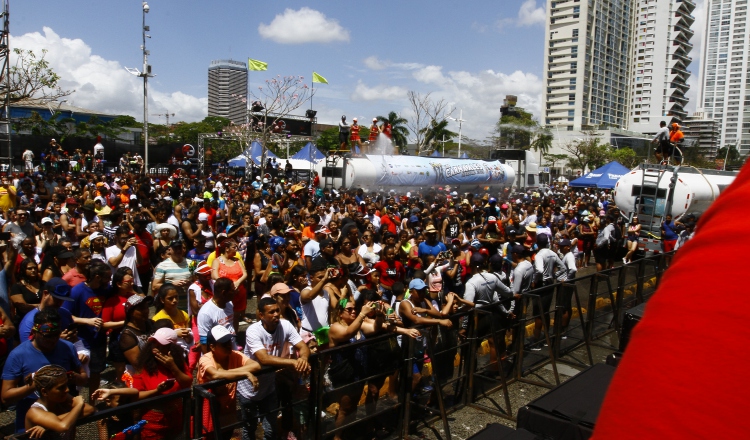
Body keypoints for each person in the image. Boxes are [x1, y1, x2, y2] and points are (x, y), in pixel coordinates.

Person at [1, 308, 88, 433]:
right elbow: (5, 397)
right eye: (47, 336)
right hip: (32, 425)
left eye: (56, 335)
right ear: (34, 332)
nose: (52, 340)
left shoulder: (67, 347)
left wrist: (76, 378)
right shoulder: (18, 355)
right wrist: (34, 386)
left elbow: (83, 378)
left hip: (63, 421)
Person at [238, 297, 310, 440]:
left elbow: (303, 346)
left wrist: (303, 359)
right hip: (249, 389)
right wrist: (293, 363)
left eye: (277, 310)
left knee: (270, 430)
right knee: (249, 430)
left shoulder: (285, 325)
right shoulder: (253, 331)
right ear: (261, 315)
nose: (276, 314)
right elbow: (264, 358)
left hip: (269, 388)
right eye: (271, 312)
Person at [197, 325, 261, 440]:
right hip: (209, 413)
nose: (228, 345)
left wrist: (227, 372)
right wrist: (245, 373)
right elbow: (214, 374)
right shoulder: (205, 359)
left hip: (228, 413)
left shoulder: (234, 355)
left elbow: (255, 366)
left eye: (229, 341)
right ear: (212, 346)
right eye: (223, 343)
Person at [132, 327, 193, 440]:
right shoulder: (144, 366)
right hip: (153, 420)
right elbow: (136, 396)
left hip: (177, 416)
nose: (156, 347)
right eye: (154, 343)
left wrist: (173, 367)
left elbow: (187, 382)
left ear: (172, 348)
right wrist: (157, 391)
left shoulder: (178, 362)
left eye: (162, 345)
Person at [24, 364, 96, 440]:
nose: (67, 390)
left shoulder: (62, 399)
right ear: (44, 392)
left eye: (66, 385)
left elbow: (90, 409)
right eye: (61, 387)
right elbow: (63, 426)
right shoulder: (34, 412)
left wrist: (49, 424)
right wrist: (78, 405)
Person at [212, 239, 248, 331]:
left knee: (235, 317)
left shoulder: (237, 260)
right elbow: (215, 275)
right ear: (227, 249)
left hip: (239, 293)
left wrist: (238, 282)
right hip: (226, 294)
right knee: (224, 317)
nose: (236, 249)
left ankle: (234, 336)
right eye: (234, 247)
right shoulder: (217, 261)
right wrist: (230, 284)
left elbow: (245, 274)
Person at [197, 277, 236, 353]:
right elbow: (204, 341)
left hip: (232, 349)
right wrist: (210, 361)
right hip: (218, 354)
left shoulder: (229, 304)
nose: (236, 292)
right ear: (224, 293)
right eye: (232, 290)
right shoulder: (206, 313)